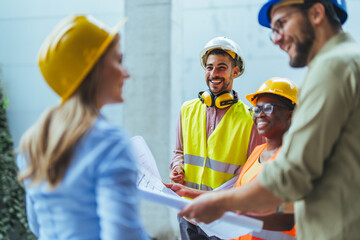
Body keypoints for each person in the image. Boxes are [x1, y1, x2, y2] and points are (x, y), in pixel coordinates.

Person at [179, 0, 360, 239]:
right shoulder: (349, 61)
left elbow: (291, 174)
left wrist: (220, 204)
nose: (276, 39)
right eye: (273, 31)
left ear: (317, 13)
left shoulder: (333, 67)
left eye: (282, 24)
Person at [17, 15, 149, 240]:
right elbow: (122, 235)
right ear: (93, 69)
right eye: (118, 61)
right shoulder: (110, 142)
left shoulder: (33, 140)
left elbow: (38, 227)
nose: (126, 73)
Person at [168, 77, 298, 240]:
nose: (260, 115)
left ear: (291, 115)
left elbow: (286, 220)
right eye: (256, 109)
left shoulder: (294, 160)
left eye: (268, 108)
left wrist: (225, 213)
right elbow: (236, 196)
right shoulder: (258, 152)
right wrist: (188, 192)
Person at [169, 37, 265, 240]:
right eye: (210, 67)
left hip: (223, 219)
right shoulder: (187, 110)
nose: (214, 74)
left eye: (222, 67)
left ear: (235, 71)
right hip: (188, 212)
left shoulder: (251, 120)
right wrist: (177, 168)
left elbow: (252, 177)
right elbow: (179, 152)